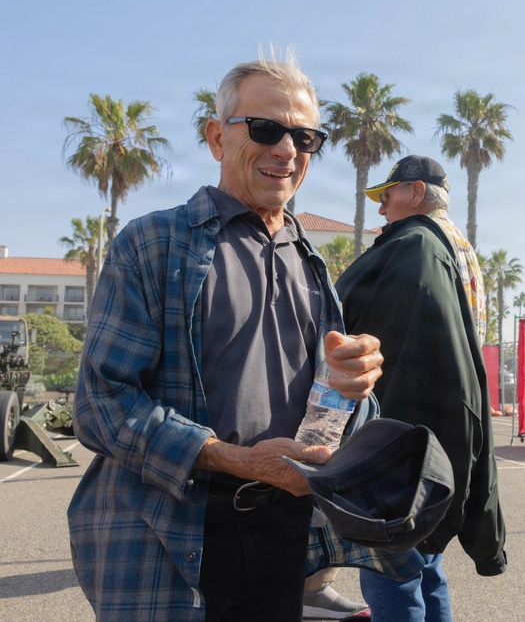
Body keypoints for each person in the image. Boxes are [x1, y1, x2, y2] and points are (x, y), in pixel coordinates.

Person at [68, 51, 404, 622]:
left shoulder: (312, 264)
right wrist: (234, 460)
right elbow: (102, 403)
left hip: (284, 530)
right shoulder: (154, 244)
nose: (287, 150)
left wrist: (356, 388)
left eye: (305, 137)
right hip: (168, 539)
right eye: (267, 128)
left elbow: (334, 409)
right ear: (217, 138)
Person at [334, 154, 506, 621]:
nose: (382, 209)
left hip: (409, 431)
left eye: (387, 196)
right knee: (426, 562)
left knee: (392, 566)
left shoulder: (413, 246)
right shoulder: (458, 247)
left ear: (413, 192)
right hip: (447, 431)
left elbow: (364, 327)